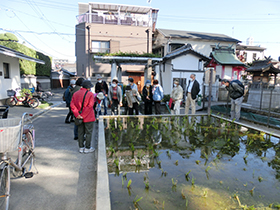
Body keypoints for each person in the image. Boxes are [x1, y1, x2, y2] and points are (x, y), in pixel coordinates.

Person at [71, 80, 95, 154]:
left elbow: (72, 105)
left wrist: (77, 114)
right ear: (88, 87)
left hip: (78, 117)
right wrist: (83, 115)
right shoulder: (90, 94)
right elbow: (90, 106)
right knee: (88, 133)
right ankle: (87, 148)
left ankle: (81, 147)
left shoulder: (75, 94)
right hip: (89, 117)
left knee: (80, 132)